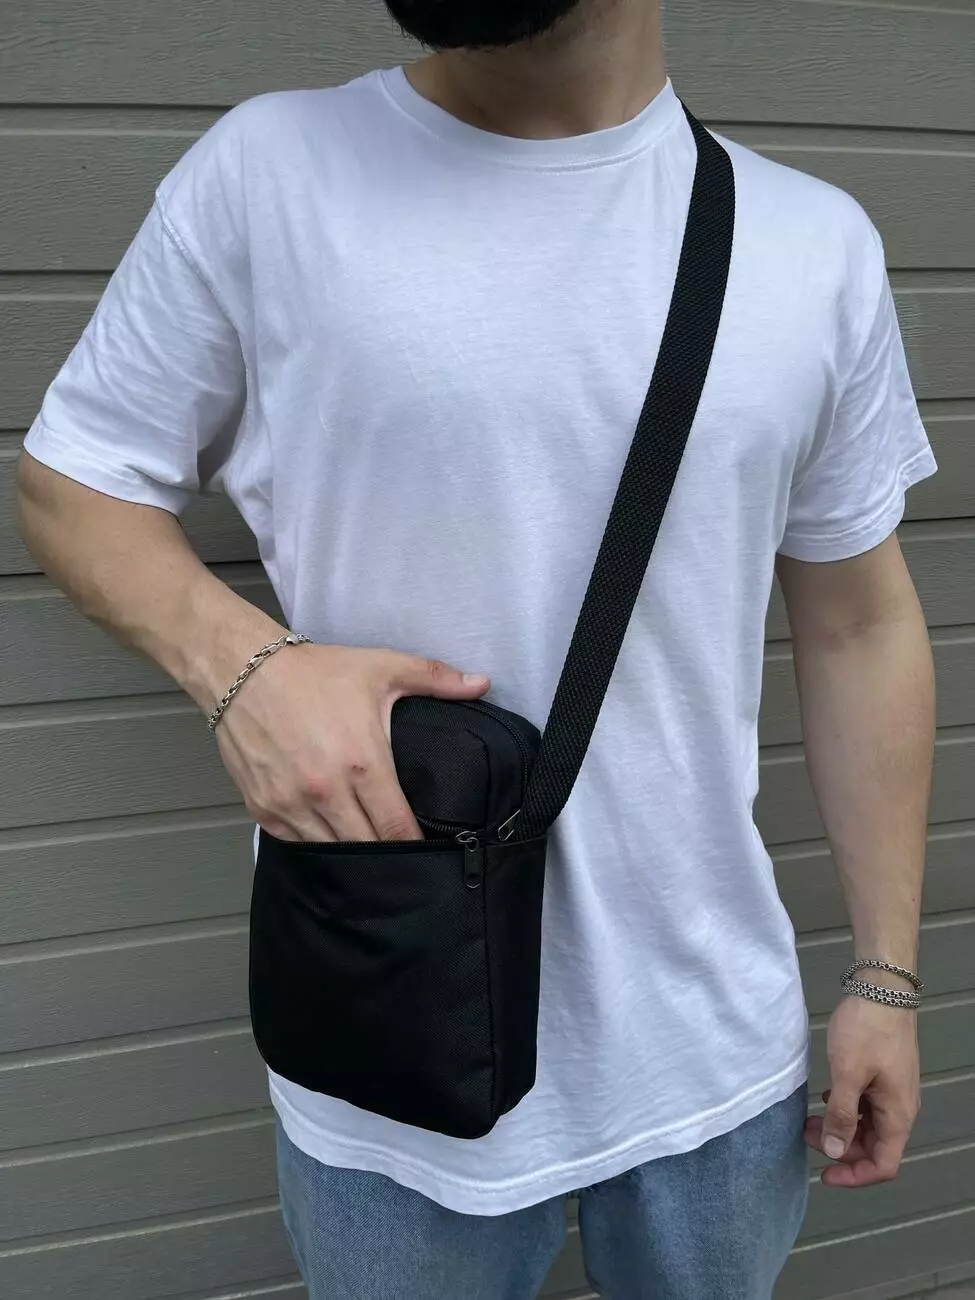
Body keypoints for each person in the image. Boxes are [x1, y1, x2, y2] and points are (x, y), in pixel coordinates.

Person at [17, 0, 936, 1295]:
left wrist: (885, 978)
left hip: (712, 1061)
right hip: (385, 1052)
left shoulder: (811, 244)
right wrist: (242, 670)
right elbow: (74, 483)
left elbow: (859, 623)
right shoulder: (270, 173)